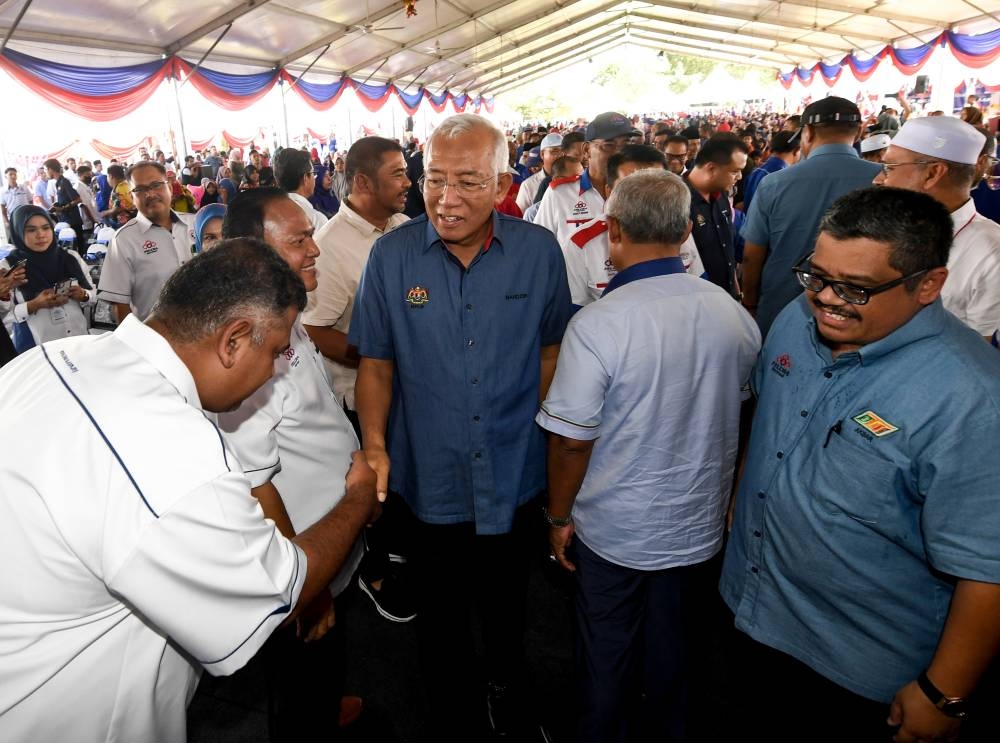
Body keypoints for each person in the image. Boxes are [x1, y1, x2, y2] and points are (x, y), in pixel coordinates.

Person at [0, 238, 381, 742]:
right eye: (273, 353)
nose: (273, 371)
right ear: (234, 340)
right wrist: (357, 497)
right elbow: (279, 591)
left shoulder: (53, 358)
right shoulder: (174, 451)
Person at [721, 186, 1000, 742]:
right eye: (817, 276)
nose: (826, 299)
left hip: (855, 669)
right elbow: (770, 422)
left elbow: (987, 570)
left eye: (856, 289)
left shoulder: (972, 400)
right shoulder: (794, 325)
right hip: (748, 611)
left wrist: (941, 694)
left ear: (929, 284)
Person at [349, 113, 572, 737]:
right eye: (434, 179)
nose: (447, 200)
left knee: (508, 603)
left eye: (469, 182)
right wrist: (374, 445)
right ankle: (453, 711)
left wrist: (550, 438)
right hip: (430, 474)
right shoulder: (391, 259)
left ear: (505, 181)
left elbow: (551, 350)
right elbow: (377, 362)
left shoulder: (537, 252)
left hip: (514, 467)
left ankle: (507, 689)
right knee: (440, 616)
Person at [540, 170, 760, 743]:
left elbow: (570, 439)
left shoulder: (598, 324)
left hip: (617, 525)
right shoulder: (731, 313)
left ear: (612, 231)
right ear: (687, 230)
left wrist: (558, 517)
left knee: (606, 649)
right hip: (697, 520)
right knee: (678, 647)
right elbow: (740, 410)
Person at [218, 190, 366, 740]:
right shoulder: (248, 342)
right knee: (297, 681)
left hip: (328, 534)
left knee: (325, 662)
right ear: (253, 253)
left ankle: (325, 705)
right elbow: (255, 485)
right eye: (299, 240)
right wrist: (306, 586)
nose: (315, 251)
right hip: (302, 553)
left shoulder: (285, 312)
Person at [301, 136, 413, 623]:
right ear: (363, 181)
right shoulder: (329, 247)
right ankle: (374, 572)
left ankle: (403, 551)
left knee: (402, 482)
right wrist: (381, 354)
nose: (409, 182)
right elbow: (316, 329)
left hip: (407, 386)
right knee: (372, 489)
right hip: (356, 393)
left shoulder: (405, 227)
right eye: (398, 174)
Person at [740, 97, 881, 337]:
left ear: (808, 132)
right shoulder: (883, 181)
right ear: (858, 133)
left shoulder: (774, 183)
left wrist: (750, 304)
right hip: (856, 314)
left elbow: (752, 256)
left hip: (779, 312)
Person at [873, 115, 1000, 341]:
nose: (878, 179)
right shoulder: (885, 226)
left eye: (890, 167)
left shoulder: (992, 254)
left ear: (932, 174)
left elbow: (978, 351)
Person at [562, 145, 705, 308]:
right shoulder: (580, 245)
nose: (645, 197)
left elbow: (699, 293)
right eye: (630, 188)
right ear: (609, 191)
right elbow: (577, 314)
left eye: (657, 187)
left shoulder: (678, 231)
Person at [97, 161, 196, 323]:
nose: (150, 194)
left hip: (207, 337)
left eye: (156, 185)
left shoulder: (196, 224)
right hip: (157, 342)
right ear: (132, 197)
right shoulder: (124, 240)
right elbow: (119, 306)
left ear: (169, 188)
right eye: (140, 189)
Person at [0, 205, 93, 352]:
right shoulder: (9, 268)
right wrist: (34, 305)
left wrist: (84, 295)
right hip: (37, 350)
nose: (41, 235)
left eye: (45, 227)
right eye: (31, 230)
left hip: (78, 342)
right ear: (18, 232)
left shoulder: (70, 258)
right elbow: (5, 317)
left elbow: (92, 293)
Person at [274, 147, 329, 230]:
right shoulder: (316, 220)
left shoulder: (269, 214)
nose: (314, 178)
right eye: (313, 173)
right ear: (305, 178)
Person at [44, 158, 85, 251]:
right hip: (65, 220)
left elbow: (78, 199)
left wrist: (62, 208)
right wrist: (57, 205)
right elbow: (65, 199)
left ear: (51, 169)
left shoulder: (64, 182)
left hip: (73, 221)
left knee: (77, 248)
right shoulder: (57, 183)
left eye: (46, 170)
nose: (46, 172)